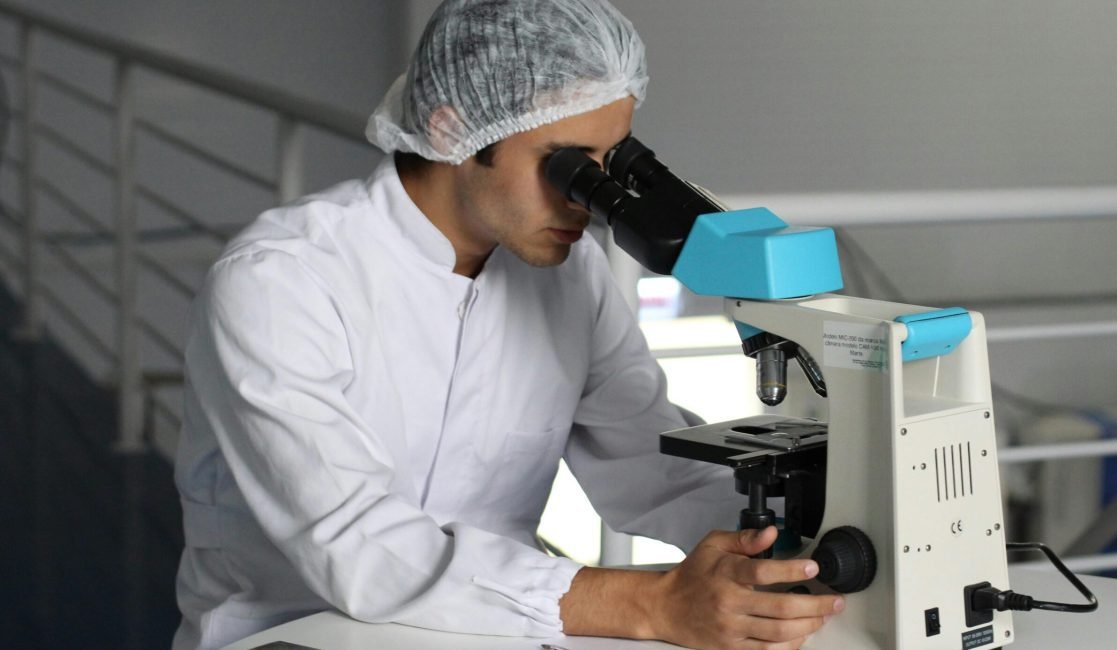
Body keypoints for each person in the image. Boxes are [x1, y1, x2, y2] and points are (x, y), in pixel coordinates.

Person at [172, 1, 844, 649]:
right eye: (567, 165)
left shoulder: (568, 277)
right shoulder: (282, 281)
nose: (587, 202)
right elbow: (355, 546)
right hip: (295, 634)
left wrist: (790, 548)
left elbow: (651, 466)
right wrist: (654, 605)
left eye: (608, 167)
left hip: (498, 631)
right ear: (451, 131)